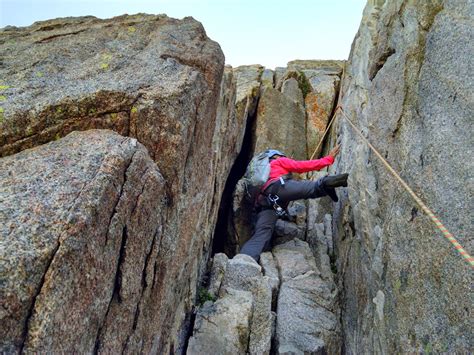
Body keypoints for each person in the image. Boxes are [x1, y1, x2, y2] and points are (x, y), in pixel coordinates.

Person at [240, 145, 348, 261]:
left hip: (267, 204)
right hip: (279, 187)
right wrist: (328, 159)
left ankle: (243, 260)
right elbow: (301, 166)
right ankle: (328, 184)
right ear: (275, 156)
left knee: (261, 235)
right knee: (312, 187)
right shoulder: (279, 161)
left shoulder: (260, 176)